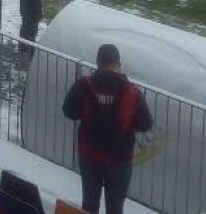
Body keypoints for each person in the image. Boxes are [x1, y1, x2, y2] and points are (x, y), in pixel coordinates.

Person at [63, 44, 154, 214]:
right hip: (120, 160)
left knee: (89, 203)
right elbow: (146, 124)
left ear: (98, 63)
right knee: (115, 207)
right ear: (118, 64)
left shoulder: (84, 85)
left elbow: (68, 111)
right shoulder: (132, 93)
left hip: (90, 156)